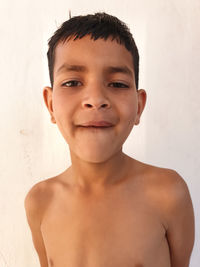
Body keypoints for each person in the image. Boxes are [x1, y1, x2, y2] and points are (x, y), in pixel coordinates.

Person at [24, 12, 195, 267]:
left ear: (139, 106)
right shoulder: (40, 201)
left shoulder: (168, 193)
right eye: (72, 82)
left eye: (116, 84)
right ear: (50, 104)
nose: (95, 99)